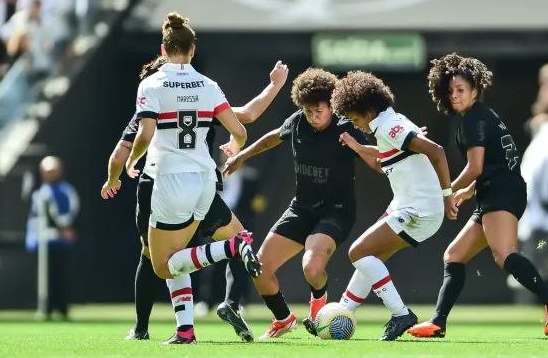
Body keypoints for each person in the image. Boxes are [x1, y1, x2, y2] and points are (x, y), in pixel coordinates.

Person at [101, 56, 289, 343]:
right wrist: (275, 86)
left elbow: (120, 153)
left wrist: (113, 179)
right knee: (234, 239)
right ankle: (228, 304)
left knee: (158, 260)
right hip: (202, 184)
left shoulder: (147, 111)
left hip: (160, 186)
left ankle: (144, 328)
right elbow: (247, 116)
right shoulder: (201, 101)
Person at [407, 53, 548, 339]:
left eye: (461, 90)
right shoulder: (481, 116)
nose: (455, 96)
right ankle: (438, 322)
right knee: (454, 255)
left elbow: (475, 167)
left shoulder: (473, 121)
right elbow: (490, 164)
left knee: (504, 254)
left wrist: (447, 191)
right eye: (451, 91)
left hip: (501, 192)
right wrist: (467, 191)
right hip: (496, 190)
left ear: (475, 91)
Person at [222, 68, 380, 340]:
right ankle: (283, 319)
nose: (313, 117)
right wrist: (242, 156)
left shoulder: (345, 127)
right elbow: (273, 137)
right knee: (259, 268)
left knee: (312, 267)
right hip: (301, 209)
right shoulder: (298, 122)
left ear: (331, 105)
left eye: (319, 111)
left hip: (336, 212)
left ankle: (318, 309)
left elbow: (376, 161)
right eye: (308, 111)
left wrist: (361, 148)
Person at [330, 70, 456, 341]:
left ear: (367, 110)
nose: (356, 125)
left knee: (357, 252)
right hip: (409, 205)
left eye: (355, 119)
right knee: (370, 259)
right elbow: (381, 162)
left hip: (417, 209)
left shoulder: (389, 125)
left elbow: (437, 151)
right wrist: (357, 146)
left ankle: (401, 314)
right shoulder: (384, 125)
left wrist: (448, 195)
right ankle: (342, 311)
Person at [25, 156, 79, 320]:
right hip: (40, 241)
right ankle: (45, 308)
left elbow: (71, 212)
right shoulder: (39, 191)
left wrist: (63, 228)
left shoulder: (66, 190)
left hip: (59, 241)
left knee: (60, 276)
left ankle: (62, 308)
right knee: (42, 277)